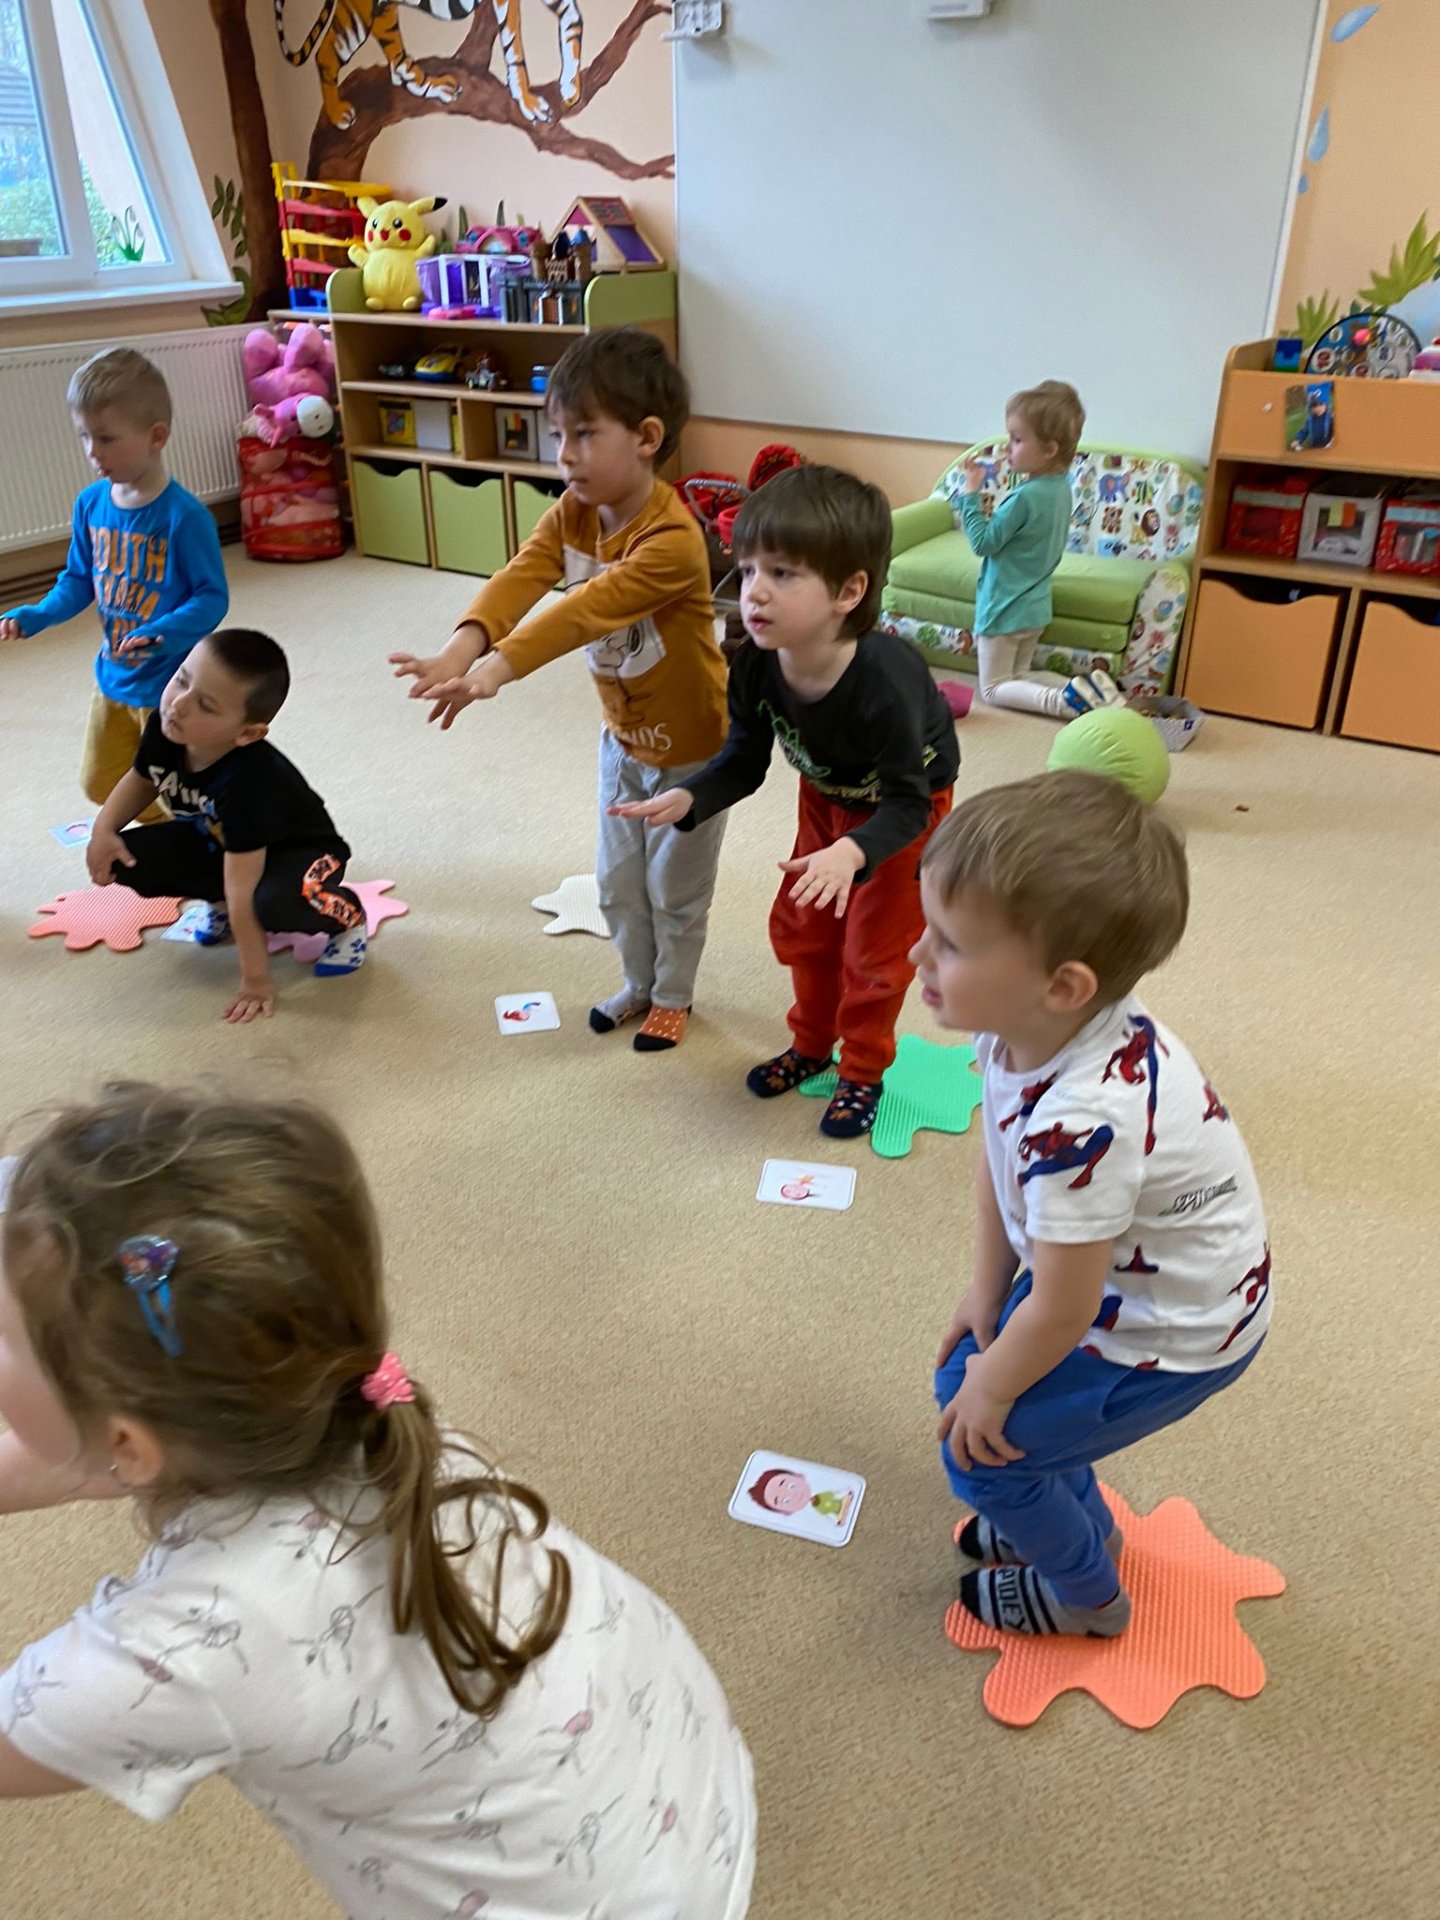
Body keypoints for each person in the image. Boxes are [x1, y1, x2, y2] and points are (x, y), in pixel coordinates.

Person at [0, 1083, 756, 1919]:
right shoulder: (343, 1407)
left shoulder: (177, 1650)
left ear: (128, 1443)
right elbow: (85, 1458)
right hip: (685, 1793)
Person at [914, 771, 1271, 1637]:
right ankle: (1071, 1515)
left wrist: (998, 1388)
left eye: (949, 944)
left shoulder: (1086, 1117)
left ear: (1065, 986)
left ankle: (1089, 1598)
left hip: (1172, 1335)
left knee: (980, 1456)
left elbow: (1065, 1309)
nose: (919, 955)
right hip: (1106, 1286)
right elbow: (1001, 1157)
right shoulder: (1023, 1030)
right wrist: (985, 1289)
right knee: (967, 1381)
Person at [390, 327, 728, 1052]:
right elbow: (523, 574)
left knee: (675, 890)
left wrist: (496, 670)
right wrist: (460, 648)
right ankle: (639, 984)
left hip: (694, 753)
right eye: (557, 435)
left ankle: (673, 996)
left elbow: (582, 612)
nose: (564, 454)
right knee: (616, 883)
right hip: (622, 740)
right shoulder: (572, 512)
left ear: (646, 438)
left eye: (584, 434)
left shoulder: (672, 540)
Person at [612, 465, 958, 1140]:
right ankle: (811, 1045)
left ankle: (863, 1072)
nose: (755, 592)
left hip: (901, 813)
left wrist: (853, 852)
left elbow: (908, 804)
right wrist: (690, 795)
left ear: (848, 591)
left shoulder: (886, 683)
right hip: (825, 795)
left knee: (875, 952)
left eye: (782, 574)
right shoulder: (754, 662)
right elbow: (745, 761)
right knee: (807, 932)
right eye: (747, 571)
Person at [84, 628, 367, 1025]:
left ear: (247, 733)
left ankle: (350, 920)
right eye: (181, 679)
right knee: (125, 857)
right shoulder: (168, 726)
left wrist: (255, 981)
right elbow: (143, 778)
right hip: (220, 839)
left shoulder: (249, 783)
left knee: (271, 902)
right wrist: (104, 831)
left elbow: (242, 890)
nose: (178, 704)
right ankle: (213, 901)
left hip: (303, 854)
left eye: (206, 705)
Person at [0, 347, 229, 821]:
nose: (92, 451)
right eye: (84, 435)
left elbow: (212, 597)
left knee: (185, 790)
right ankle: (166, 832)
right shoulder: (90, 504)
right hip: (114, 677)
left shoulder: (184, 517)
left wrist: (163, 632)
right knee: (101, 782)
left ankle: (224, 843)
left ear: (156, 437)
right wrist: (37, 615)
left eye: (105, 438)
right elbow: (78, 580)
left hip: (170, 685)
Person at [960, 380, 1120, 721]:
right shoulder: (1061, 489)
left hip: (1004, 609)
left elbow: (982, 543)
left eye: (1017, 440)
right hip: (1034, 608)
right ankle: (1089, 690)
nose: (1007, 448)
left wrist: (970, 494)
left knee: (994, 688)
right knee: (1020, 675)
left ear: (1049, 449)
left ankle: (1063, 703)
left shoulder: (1024, 498)